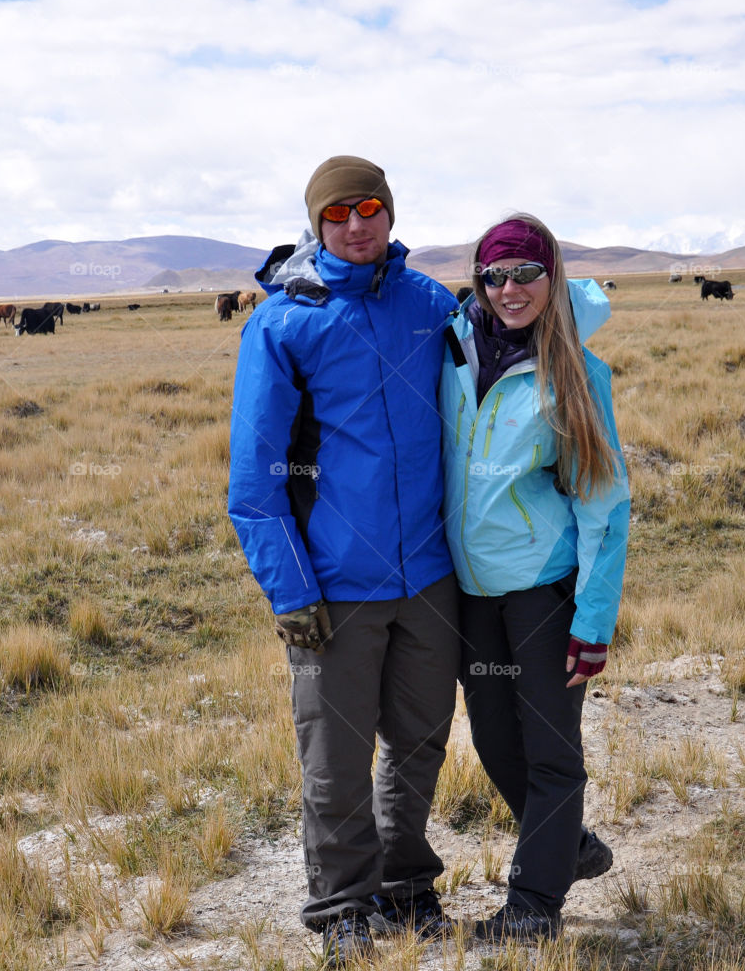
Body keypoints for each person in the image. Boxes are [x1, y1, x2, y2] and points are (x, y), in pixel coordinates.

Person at [228, 156, 461, 967]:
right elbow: (254, 484)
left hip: (430, 577)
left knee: (421, 742)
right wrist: (290, 591)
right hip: (333, 588)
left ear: (390, 215)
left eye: (370, 209)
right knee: (334, 759)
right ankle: (342, 906)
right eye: (338, 214)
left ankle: (404, 884)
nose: (357, 225)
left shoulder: (431, 305)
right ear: (316, 224)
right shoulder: (285, 323)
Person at [439, 214, 630, 940]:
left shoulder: (576, 373)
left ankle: (533, 907)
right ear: (478, 282)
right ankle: (569, 846)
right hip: (472, 590)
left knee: (551, 749)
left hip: (543, 592)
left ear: (550, 274)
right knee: (493, 739)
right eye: (495, 275)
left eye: (525, 272)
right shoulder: (454, 350)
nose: (510, 289)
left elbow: (605, 507)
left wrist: (592, 619)